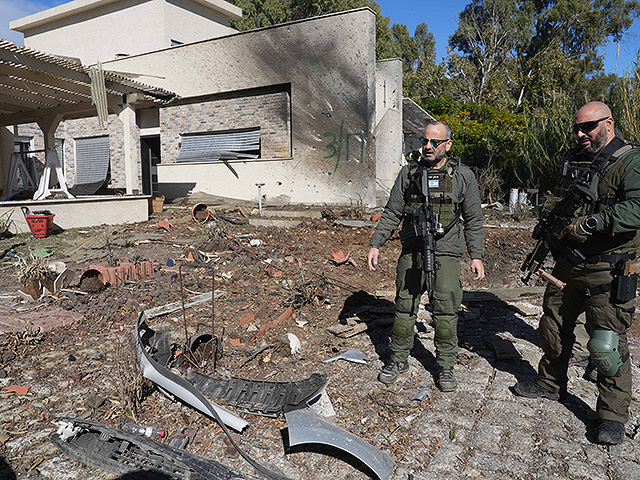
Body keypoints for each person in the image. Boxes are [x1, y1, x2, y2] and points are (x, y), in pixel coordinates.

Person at [513, 101, 640, 445]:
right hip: (568, 261)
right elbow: (559, 197)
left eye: (589, 127)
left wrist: (594, 222)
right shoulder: (575, 159)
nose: (581, 134)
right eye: (577, 129)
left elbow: (637, 209)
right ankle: (550, 383)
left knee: (605, 344)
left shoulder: (630, 160)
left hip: (609, 266)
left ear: (609, 123)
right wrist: (548, 223)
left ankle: (611, 416)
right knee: (553, 325)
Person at [367, 120, 485, 392]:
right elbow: (393, 211)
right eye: (424, 141)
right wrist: (376, 243)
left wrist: (476, 255)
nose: (428, 147)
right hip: (412, 250)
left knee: (445, 309)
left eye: (435, 142)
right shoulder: (408, 174)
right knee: (405, 306)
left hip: (446, 251)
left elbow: (474, 219)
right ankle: (397, 359)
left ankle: (444, 365)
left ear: (448, 144)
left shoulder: (463, 176)